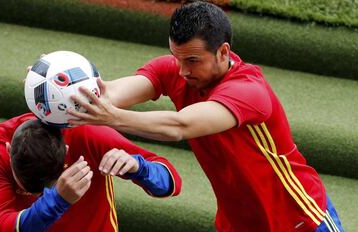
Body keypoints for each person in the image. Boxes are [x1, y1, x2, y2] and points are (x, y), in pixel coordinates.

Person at [66, 1, 344, 231]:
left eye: (192, 61)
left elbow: (180, 126)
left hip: (301, 220)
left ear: (223, 52)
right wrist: (60, 86)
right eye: (176, 57)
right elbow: (109, 93)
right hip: (237, 225)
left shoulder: (249, 91)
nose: (182, 70)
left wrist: (112, 117)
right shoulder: (175, 70)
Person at [0, 113, 182, 232]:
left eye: (50, 185)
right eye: (30, 188)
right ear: (8, 151)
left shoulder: (89, 134)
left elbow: (172, 183)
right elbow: (0, 226)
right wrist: (58, 200)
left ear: (66, 152)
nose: (37, 196)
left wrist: (139, 168)